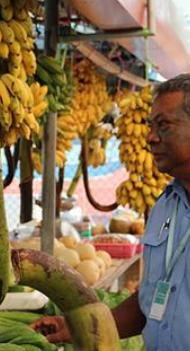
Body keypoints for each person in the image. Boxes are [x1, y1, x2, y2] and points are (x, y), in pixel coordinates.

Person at [31, 74, 190, 351]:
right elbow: (151, 301)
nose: (151, 138)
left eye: (164, 125)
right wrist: (75, 326)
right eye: (151, 126)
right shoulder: (165, 206)